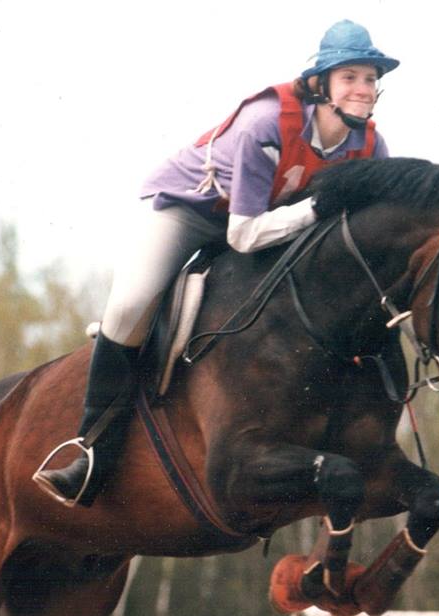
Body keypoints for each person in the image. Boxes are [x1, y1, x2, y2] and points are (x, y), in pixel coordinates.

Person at [33, 19, 399, 507]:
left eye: (370, 78)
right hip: (196, 211)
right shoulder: (265, 123)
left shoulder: (370, 146)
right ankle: (90, 452)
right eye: (350, 77)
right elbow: (243, 234)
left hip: (270, 223)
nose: (363, 88)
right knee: (131, 305)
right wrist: (316, 208)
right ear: (321, 83)